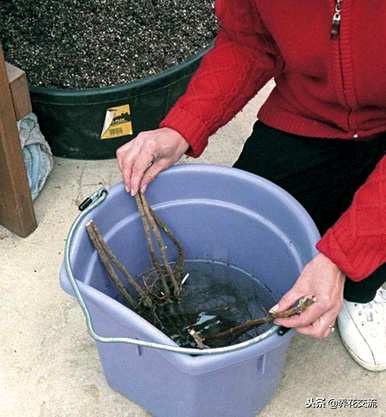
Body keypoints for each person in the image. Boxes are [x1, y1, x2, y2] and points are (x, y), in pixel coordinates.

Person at [116, 0, 386, 371]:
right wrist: (183, 126)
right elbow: (250, 40)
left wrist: (345, 257)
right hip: (313, 113)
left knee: (357, 254)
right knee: (244, 227)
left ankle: (366, 288)